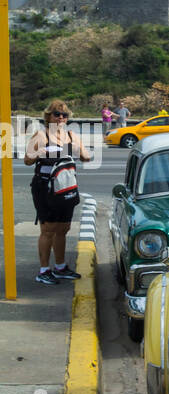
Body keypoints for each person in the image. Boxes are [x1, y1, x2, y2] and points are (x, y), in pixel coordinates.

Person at [24, 100, 93, 284]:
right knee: (48, 229)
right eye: (57, 114)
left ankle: (60, 267)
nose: (61, 117)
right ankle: (44, 270)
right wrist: (40, 153)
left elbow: (87, 157)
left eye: (64, 115)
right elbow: (27, 160)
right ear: (48, 117)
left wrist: (76, 149)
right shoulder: (41, 135)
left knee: (63, 228)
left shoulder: (71, 135)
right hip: (44, 187)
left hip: (66, 186)